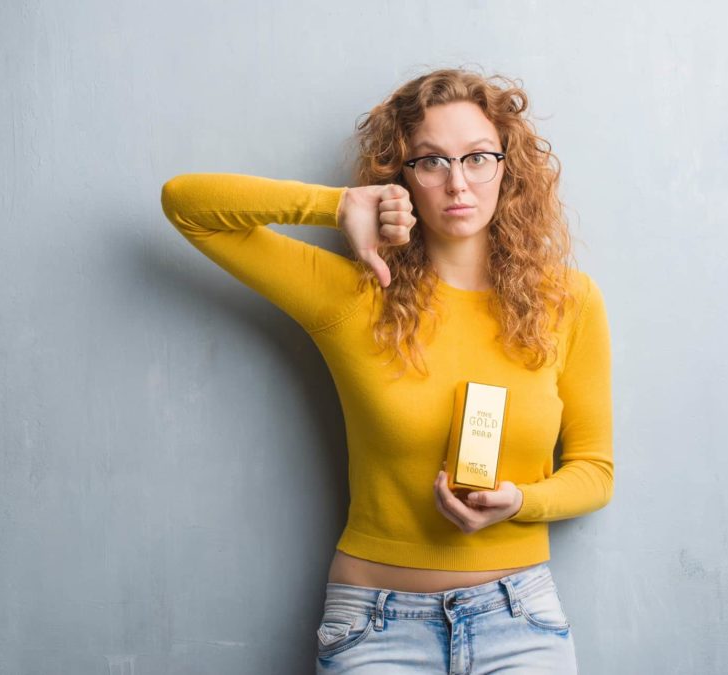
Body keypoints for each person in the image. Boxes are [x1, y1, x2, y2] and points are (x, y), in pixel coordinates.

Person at [159, 67, 612, 673]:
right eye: (431, 162)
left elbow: (595, 472)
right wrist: (338, 205)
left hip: (519, 620)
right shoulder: (354, 296)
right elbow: (187, 206)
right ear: (401, 177)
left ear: (509, 167)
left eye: (478, 157)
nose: (458, 183)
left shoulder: (568, 302)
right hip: (375, 629)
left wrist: (520, 502)